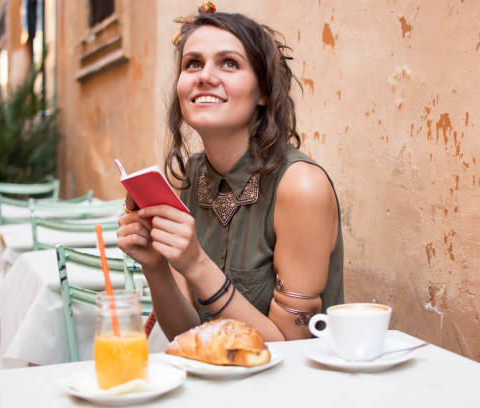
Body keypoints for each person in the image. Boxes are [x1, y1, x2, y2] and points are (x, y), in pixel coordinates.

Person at [117, 3, 343, 342]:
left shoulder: (301, 186)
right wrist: (156, 268)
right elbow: (186, 333)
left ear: (263, 91)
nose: (204, 76)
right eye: (193, 63)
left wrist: (195, 264)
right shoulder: (193, 177)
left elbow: (292, 349)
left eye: (229, 63)